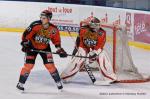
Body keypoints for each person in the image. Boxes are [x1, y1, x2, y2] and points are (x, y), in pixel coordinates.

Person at [16, 10, 67, 91]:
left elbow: (56, 41)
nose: (41, 19)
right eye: (41, 17)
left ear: (49, 19)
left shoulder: (54, 29)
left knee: (50, 66)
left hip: (45, 48)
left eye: (44, 18)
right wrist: (25, 43)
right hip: (32, 47)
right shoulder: (35, 25)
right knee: (29, 65)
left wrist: (59, 49)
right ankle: (20, 83)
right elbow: (26, 35)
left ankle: (58, 82)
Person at [61, 17, 117, 85]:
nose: (98, 27)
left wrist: (94, 52)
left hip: (95, 49)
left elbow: (100, 46)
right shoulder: (83, 30)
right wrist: (78, 51)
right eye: (96, 25)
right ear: (91, 26)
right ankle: (65, 76)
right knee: (79, 58)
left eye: (98, 25)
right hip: (84, 47)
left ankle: (110, 78)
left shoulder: (101, 33)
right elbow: (80, 41)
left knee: (102, 55)